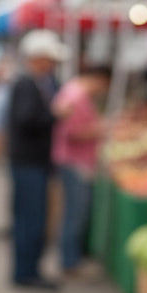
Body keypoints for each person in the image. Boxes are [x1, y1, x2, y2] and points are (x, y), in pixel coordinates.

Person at [8, 29, 66, 290]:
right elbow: (26, 119)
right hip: (28, 162)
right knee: (30, 219)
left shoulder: (37, 83)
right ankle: (26, 272)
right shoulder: (26, 84)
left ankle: (29, 269)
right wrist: (54, 115)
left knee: (32, 218)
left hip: (32, 162)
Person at [52, 64, 110, 277]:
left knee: (74, 213)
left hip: (77, 161)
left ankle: (72, 258)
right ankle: (70, 261)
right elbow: (72, 133)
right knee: (75, 214)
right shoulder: (76, 97)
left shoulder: (73, 93)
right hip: (76, 162)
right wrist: (100, 129)